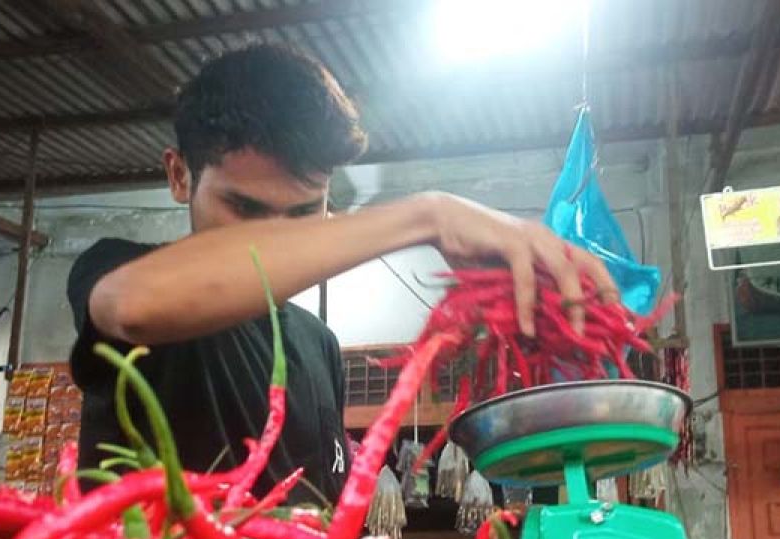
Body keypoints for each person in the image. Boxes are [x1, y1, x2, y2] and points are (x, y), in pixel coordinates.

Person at [68, 43, 615, 503]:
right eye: (247, 211)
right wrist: (428, 215)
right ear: (180, 175)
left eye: (305, 213)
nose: (281, 238)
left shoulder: (316, 344)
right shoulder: (120, 270)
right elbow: (135, 303)